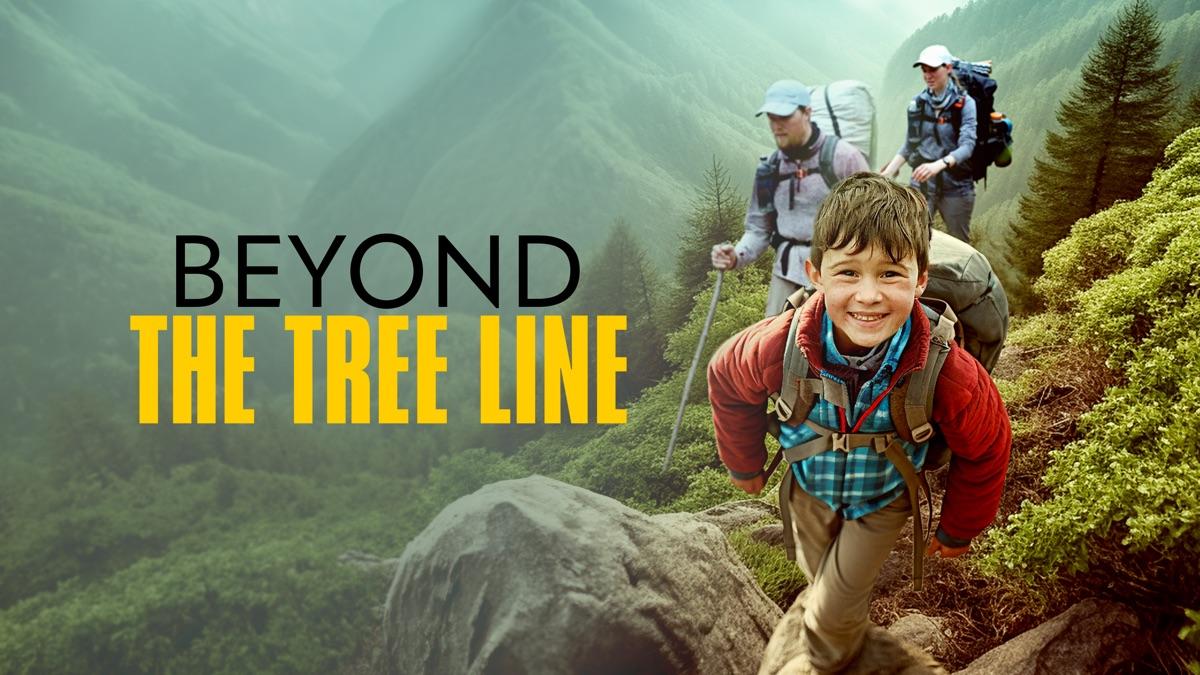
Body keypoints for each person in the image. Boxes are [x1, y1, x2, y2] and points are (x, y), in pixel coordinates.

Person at [707, 173, 1010, 673]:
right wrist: (744, 464)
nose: (868, 295)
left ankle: (824, 659)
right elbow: (726, 378)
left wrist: (960, 528)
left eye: (890, 274)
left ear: (920, 280)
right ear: (816, 274)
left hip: (883, 497)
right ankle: (846, 631)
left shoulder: (947, 371)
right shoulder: (777, 345)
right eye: (848, 272)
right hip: (807, 486)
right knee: (820, 576)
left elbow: (988, 445)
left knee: (831, 612)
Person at [712, 79, 869, 316]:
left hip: (834, 273)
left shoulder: (844, 159)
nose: (777, 126)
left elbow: (871, 221)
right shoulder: (770, 169)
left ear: (807, 112)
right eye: (772, 118)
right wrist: (736, 255)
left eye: (784, 117)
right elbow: (758, 228)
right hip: (785, 274)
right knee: (774, 338)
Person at [881, 44, 977, 243]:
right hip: (922, 184)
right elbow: (910, 145)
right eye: (924, 70)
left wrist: (937, 165)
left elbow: (967, 146)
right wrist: (888, 172)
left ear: (948, 68)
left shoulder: (965, 104)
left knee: (959, 242)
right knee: (914, 238)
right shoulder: (917, 104)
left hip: (956, 186)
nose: (927, 75)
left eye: (933, 69)